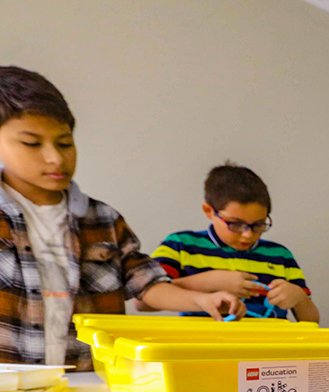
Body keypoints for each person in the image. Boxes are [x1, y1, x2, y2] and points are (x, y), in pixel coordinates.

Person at [0, 67, 244, 370]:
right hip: (9, 383)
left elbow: (146, 284)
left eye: (64, 143)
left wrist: (201, 301)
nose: (56, 158)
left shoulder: (103, 219)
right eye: (32, 143)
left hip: (89, 375)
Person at [151, 163, 319, 322]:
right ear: (209, 211)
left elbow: (312, 321)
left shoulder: (280, 255)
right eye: (235, 224)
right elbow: (145, 300)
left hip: (268, 341)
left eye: (258, 224)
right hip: (202, 341)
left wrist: (299, 298)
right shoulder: (180, 245)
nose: (248, 235)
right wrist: (208, 282)